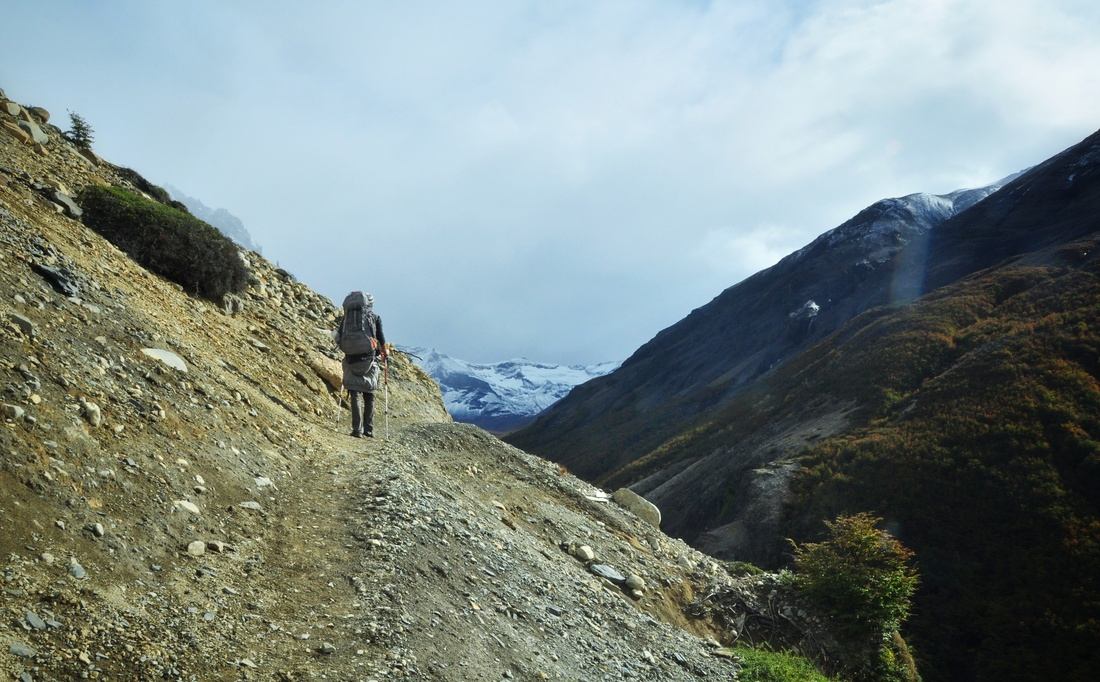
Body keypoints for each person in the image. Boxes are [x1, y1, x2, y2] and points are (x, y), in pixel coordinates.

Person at [335, 291, 386, 437]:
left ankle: (356, 430)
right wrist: (384, 354)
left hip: (351, 358)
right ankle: (368, 430)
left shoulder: (347, 319)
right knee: (369, 395)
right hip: (369, 359)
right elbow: (381, 339)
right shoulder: (375, 318)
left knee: (355, 393)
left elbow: (338, 336)